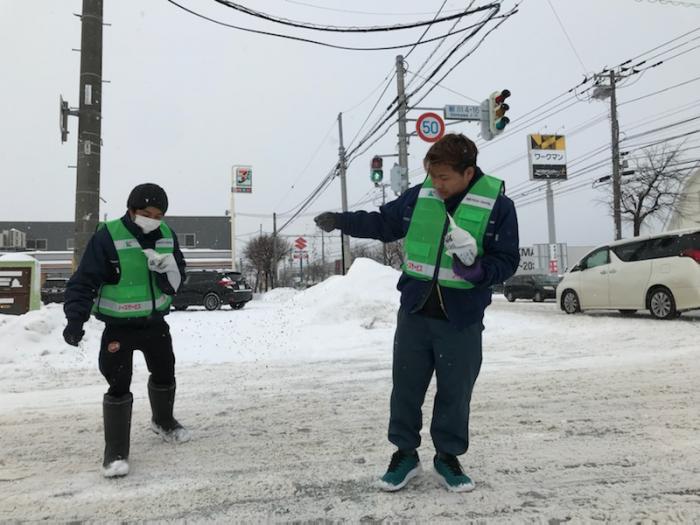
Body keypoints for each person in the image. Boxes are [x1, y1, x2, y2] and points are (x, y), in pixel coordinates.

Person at [314, 133, 519, 492]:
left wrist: (480, 272)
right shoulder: (420, 195)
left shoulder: (499, 207)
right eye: (432, 176)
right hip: (416, 310)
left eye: (444, 178)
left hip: (461, 316)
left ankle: (447, 457)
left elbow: (507, 260)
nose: (436, 185)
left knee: (456, 392)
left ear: (468, 173)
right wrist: (341, 221)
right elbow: (383, 223)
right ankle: (404, 455)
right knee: (406, 388)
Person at [63, 183, 190, 478]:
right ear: (131, 210)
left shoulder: (167, 235)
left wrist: (168, 271)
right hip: (118, 327)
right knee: (118, 383)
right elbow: (84, 280)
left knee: (164, 372)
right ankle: (116, 450)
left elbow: (180, 271)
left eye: (158, 214)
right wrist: (75, 319)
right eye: (147, 213)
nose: (153, 219)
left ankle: (163, 421)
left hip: (155, 322)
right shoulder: (109, 235)